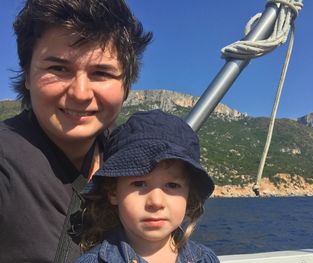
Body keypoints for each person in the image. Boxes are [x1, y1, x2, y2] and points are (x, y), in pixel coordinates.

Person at [0, 0, 152, 262]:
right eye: (58, 69)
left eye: (101, 73)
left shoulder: (134, 157)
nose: (80, 94)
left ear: (126, 85)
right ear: (27, 75)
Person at [74, 110, 219, 263]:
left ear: (188, 196)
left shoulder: (205, 259)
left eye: (172, 185)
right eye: (139, 183)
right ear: (113, 192)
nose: (156, 202)